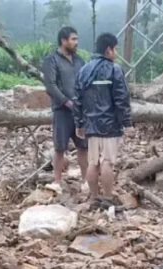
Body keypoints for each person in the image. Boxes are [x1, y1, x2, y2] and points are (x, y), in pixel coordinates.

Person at [74, 33, 133, 201]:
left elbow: (77, 99)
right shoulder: (114, 69)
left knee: (93, 162)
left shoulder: (84, 70)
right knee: (107, 162)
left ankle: (94, 196)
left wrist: (79, 123)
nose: (115, 53)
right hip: (110, 125)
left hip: (91, 124)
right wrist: (127, 123)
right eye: (115, 49)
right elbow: (121, 99)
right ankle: (107, 197)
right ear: (109, 49)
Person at [42, 26, 86, 189]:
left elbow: (85, 82)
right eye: (73, 39)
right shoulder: (51, 60)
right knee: (60, 147)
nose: (76, 42)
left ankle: (85, 180)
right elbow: (50, 85)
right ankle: (57, 181)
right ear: (63, 40)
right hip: (62, 111)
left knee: (83, 146)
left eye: (76, 39)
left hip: (80, 111)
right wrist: (67, 102)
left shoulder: (80, 61)